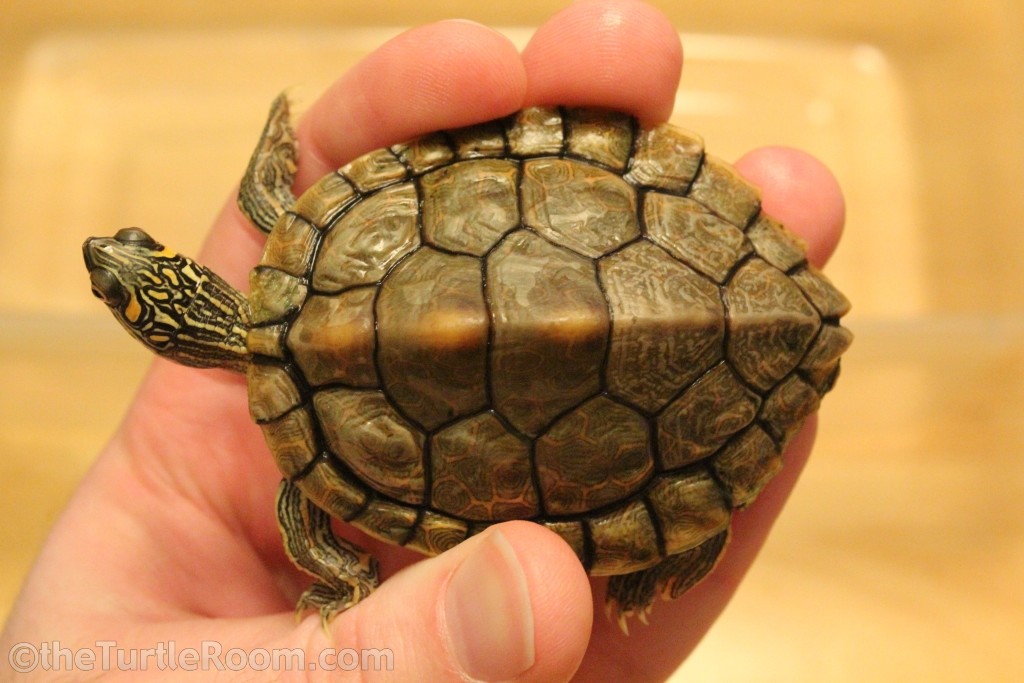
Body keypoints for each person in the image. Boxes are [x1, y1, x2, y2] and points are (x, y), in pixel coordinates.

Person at [0, 0, 845, 680]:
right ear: (168, 310)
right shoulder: (308, 227)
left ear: (167, 335)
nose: (116, 254)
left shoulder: (315, 465)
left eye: (129, 260)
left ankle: (686, 532)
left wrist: (343, 579)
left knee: (668, 525)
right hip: (682, 255)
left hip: (687, 339)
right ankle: (685, 528)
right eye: (125, 278)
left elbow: (324, 542)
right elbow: (270, 193)